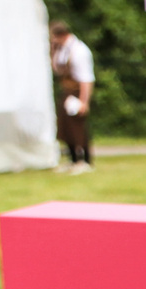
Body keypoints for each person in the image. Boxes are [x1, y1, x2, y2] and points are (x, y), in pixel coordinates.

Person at [50, 20, 96, 174]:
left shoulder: (79, 50)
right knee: (65, 127)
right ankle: (73, 159)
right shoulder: (61, 49)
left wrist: (84, 101)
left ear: (61, 35)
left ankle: (85, 160)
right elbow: (57, 68)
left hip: (77, 92)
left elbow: (86, 78)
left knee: (78, 127)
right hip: (66, 92)